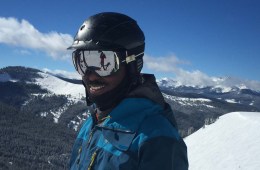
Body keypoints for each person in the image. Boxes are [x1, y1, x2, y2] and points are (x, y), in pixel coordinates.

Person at [68, 12, 188, 170]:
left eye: (104, 63)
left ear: (132, 65)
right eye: (81, 62)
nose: (90, 75)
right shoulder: (93, 122)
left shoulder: (158, 139)